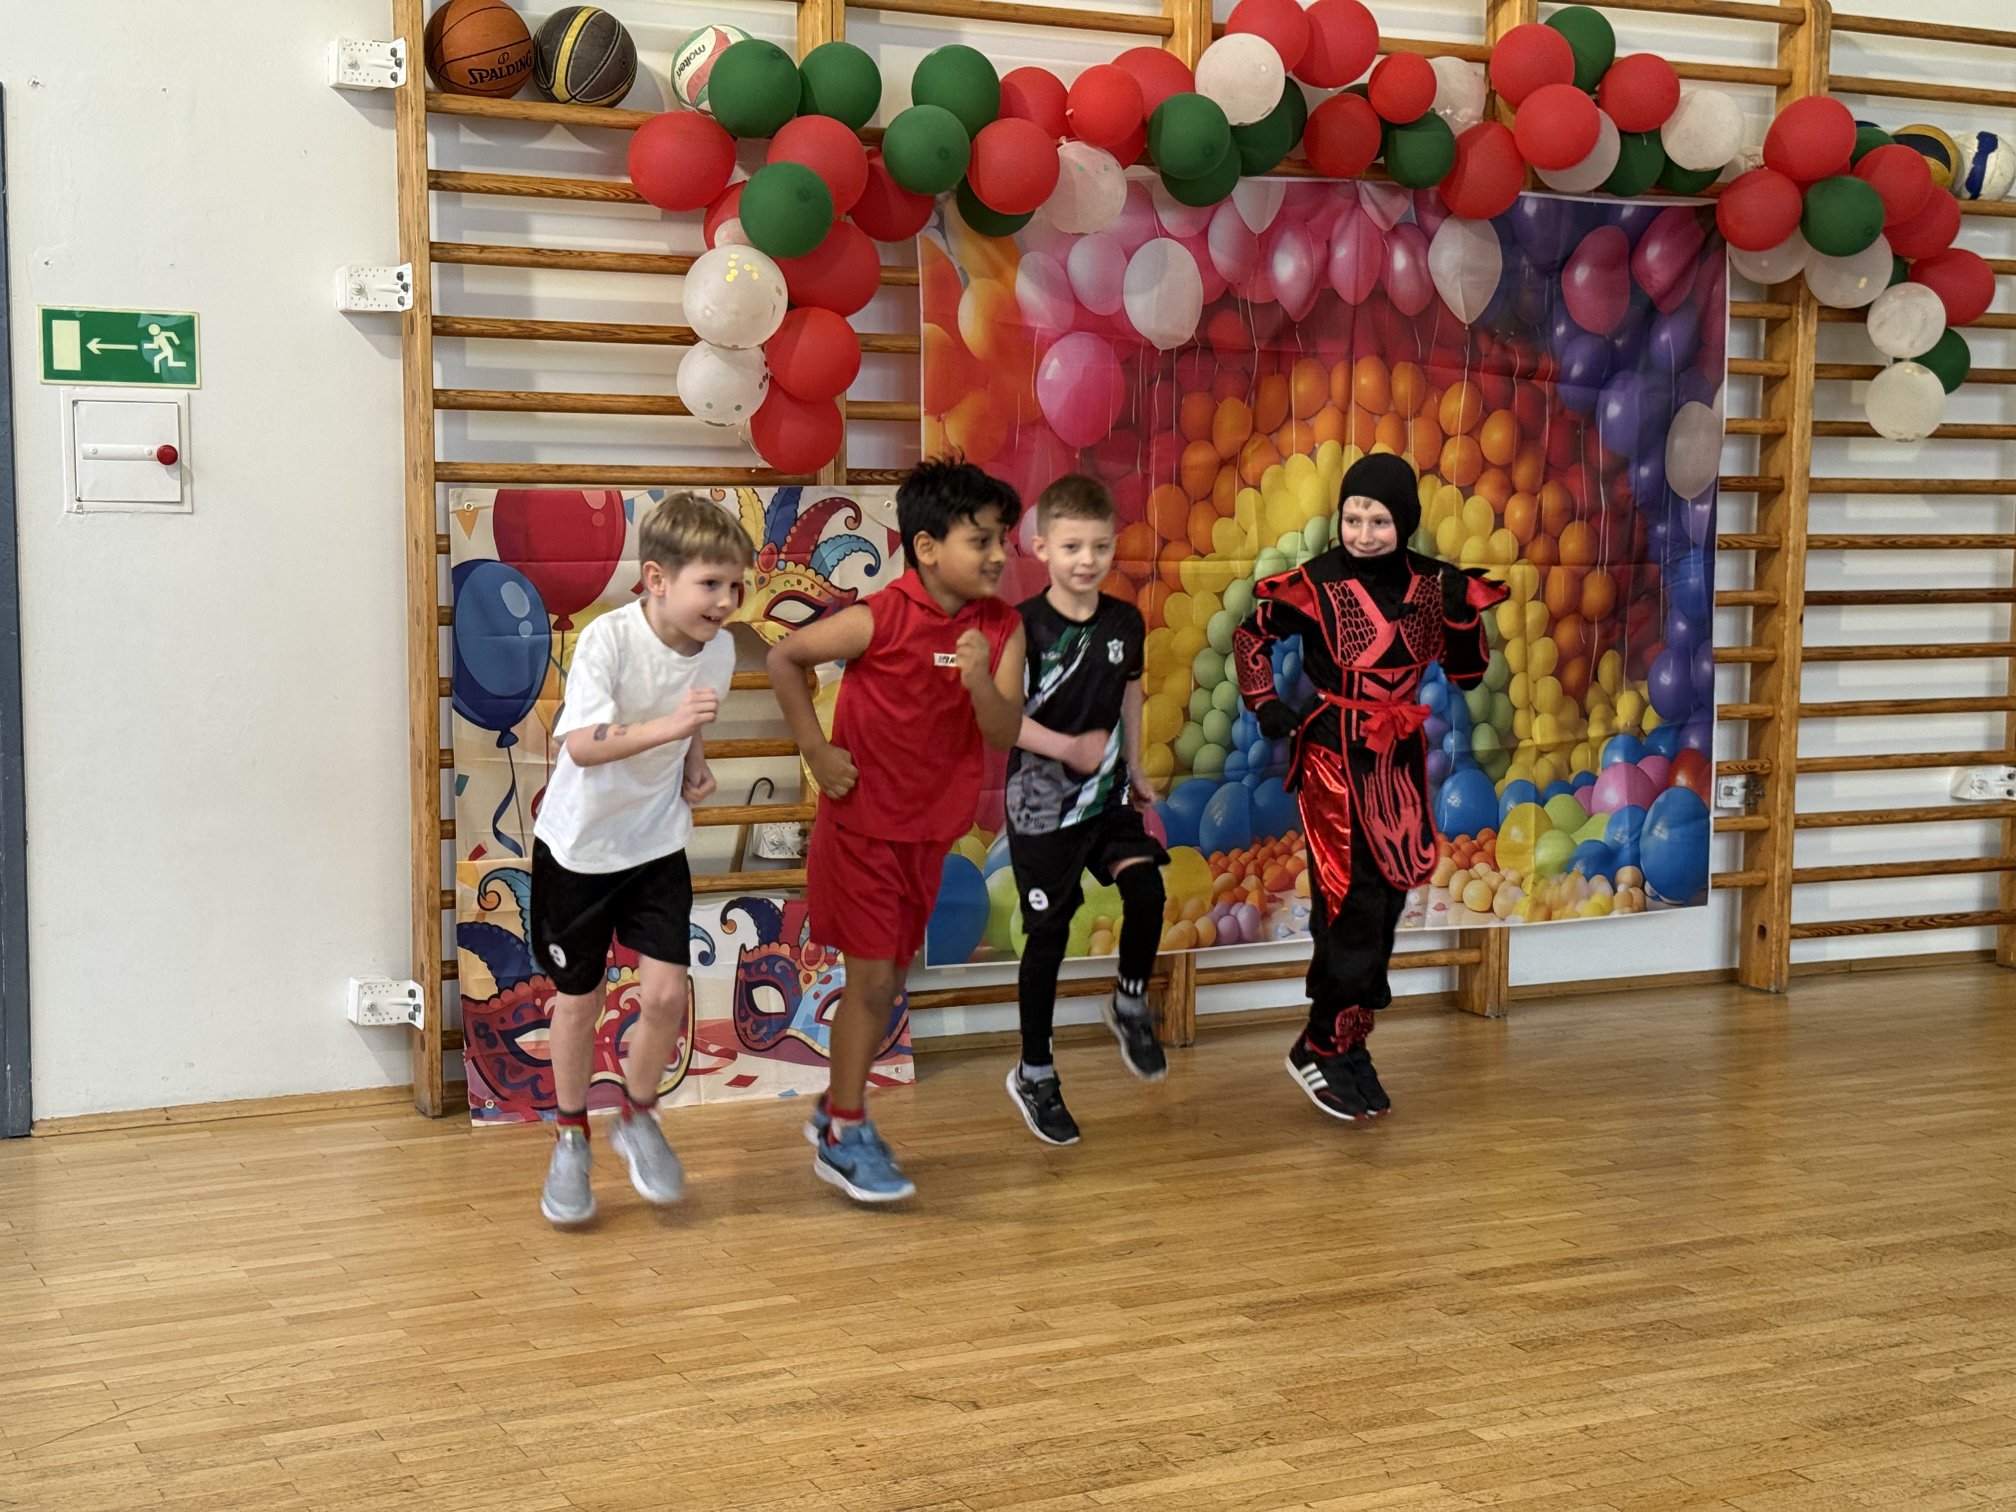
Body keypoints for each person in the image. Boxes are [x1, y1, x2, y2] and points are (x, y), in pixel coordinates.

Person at [769, 458, 1026, 1202]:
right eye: (980, 540)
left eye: (1002, 540)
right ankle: (845, 1132)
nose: (997, 555)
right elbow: (785, 657)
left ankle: (835, 1110)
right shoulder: (880, 616)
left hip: (929, 838)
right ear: (927, 547)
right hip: (860, 832)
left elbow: (1003, 730)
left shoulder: (1002, 627)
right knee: (875, 979)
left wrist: (978, 679)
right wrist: (817, 752)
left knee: (886, 983)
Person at [1233, 452, 1507, 1121]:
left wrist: (1461, 618)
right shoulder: (1317, 583)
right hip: (1333, 755)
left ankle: (1347, 1038)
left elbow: (1469, 674)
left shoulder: (1434, 584)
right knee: (1350, 898)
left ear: (1403, 522)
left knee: (1387, 900)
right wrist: (1265, 703)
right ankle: (1322, 1043)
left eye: (1378, 520)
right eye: (1352, 517)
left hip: (1399, 757)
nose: (1362, 532)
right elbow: (1250, 636)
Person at [531, 492, 753, 1225]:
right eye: (710, 584)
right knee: (581, 1001)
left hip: (655, 844)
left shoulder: (719, 649)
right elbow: (580, 746)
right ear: (657, 579)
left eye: (736, 585)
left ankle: (638, 1115)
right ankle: (571, 1137)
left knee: (663, 997)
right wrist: (673, 728)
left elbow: (691, 716)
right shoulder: (609, 640)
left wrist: (695, 758)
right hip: (580, 850)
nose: (726, 601)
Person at [1002, 475, 1170, 1146]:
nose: (1087, 560)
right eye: (1072, 546)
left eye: (1100, 546)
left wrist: (1135, 764)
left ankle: (1129, 1002)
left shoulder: (1125, 621)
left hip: (1105, 798)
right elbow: (1004, 720)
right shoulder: (1023, 626)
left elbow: (1130, 692)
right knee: (1048, 938)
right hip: (1042, 806)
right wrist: (1067, 748)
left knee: (1147, 889)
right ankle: (1034, 1071)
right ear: (1042, 547)